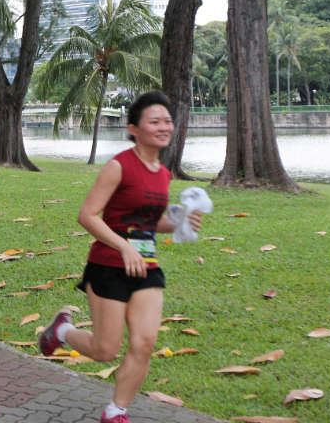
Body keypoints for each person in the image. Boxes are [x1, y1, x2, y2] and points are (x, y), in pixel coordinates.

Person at [37, 90, 205, 423]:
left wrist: (179, 222)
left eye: (168, 121)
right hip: (108, 266)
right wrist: (123, 246)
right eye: (154, 121)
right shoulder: (119, 166)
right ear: (133, 128)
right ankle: (61, 332)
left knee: (144, 343)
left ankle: (116, 411)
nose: (163, 127)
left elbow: (148, 221)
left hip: (146, 267)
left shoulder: (163, 172)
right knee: (105, 350)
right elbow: (87, 215)